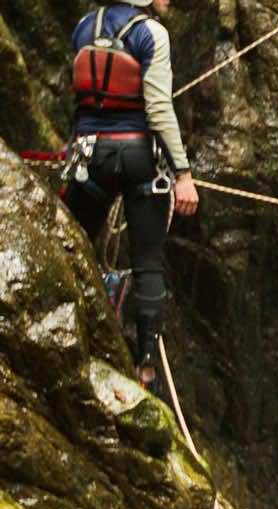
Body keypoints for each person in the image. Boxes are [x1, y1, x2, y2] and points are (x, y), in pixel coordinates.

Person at [61, 0, 200, 389]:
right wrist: (183, 174)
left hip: (90, 157)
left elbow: (81, 98)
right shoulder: (150, 33)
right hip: (138, 159)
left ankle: (81, 320)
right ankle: (146, 368)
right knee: (148, 263)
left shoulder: (84, 26)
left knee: (74, 241)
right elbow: (158, 108)